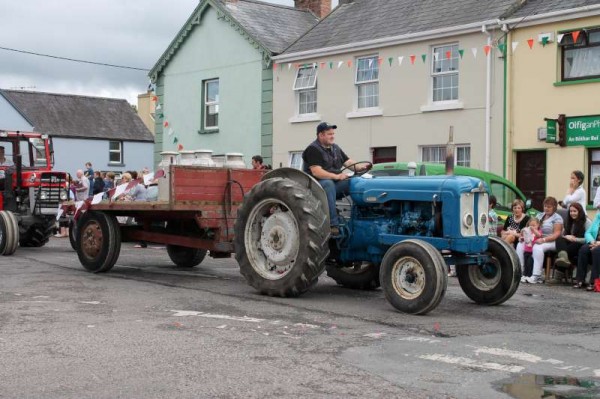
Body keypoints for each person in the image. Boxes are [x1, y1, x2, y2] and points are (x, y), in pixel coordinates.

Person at [302, 122, 369, 234]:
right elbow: (317, 172)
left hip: (334, 184)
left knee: (355, 182)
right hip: (316, 186)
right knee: (328, 183)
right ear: (321, 135)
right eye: (329, 134)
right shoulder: (313, 149)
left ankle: (361, 216)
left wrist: (360, 167)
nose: (332, 136)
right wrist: (337, 176)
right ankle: (333, 224)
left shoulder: (335, 148)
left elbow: (348, 162)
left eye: (333, 134)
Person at [516, 196, 563, 284]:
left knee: (538, 247)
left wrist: (544, 239)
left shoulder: (557, 218)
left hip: (551, 241)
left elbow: (557, 234)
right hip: (536, 238)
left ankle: (536, 276)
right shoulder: (539, 215)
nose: (546, 208)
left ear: (554, 207)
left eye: (549, 207)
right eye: (545, 206)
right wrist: (523, 237)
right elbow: (530, 227)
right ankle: (521, 272)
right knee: (520, 244)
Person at [554, 202, 589, 272]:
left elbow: (588, 239)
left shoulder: (586, 222)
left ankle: (559, 275)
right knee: (559, 239)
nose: (572, 213)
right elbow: (563, 234)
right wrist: (567, 236)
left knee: (560, 254)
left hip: (580, 244)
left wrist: (575, 239)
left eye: (575, 211)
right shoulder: (569, 221)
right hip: (569, 243)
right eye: (571, 211)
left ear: (580, 211)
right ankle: (564, 258)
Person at [573, 211, 600, 291]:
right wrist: (592, 241)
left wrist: (598, 244)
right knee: (583, 249)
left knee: (596, 251)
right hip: (594, 243)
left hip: (598, 245)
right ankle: (580, 280)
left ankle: (593, 282)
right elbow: (588, 232)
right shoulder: (598, 216)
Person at [520, 217, 542, 282]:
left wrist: (534, 230)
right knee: (526, 263)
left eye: (534, 225)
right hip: (526, 250)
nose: (532, 227)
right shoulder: (527, 231)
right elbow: (522, 236)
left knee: (530, 263)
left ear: (538, 225)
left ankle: (529, 275)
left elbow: (539, 235)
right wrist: (522, 238)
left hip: (532, 251)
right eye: (531, 225)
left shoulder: (538, 231)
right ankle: (525, 275)